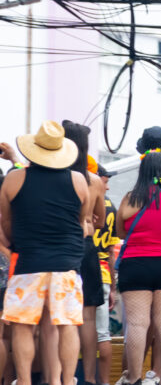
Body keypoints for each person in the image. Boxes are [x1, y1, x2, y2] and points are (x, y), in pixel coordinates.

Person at [0, 122, 89, 385]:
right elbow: (80, 220)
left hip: (28, 263)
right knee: (68, 325)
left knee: (23, 326)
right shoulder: (78, 180)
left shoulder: (15, 179)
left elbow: (6, 223)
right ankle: (67, 380)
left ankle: (25, 381)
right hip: (67, 265)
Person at [116, 151, 161, 385]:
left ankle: (134, 378)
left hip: (136, 263)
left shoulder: (130, 198)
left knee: (137, 324)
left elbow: (120, 232)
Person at [61, 120, 108, 385]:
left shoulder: (56, 175)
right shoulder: (93, 181)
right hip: (88, 246)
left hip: (62, 246)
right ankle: (89, 379)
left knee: (60, 315)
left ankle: (60, 377)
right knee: (88, 318)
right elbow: (100, 219)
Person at [93, 164, 119, 385]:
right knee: (102, 334)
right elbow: (111, 251)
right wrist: (112, 286)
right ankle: (103, 382)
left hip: (79, 270)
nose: (107, 187)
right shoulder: (110, 206)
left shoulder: (80, 199)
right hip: (102, 272)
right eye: (105, 180)